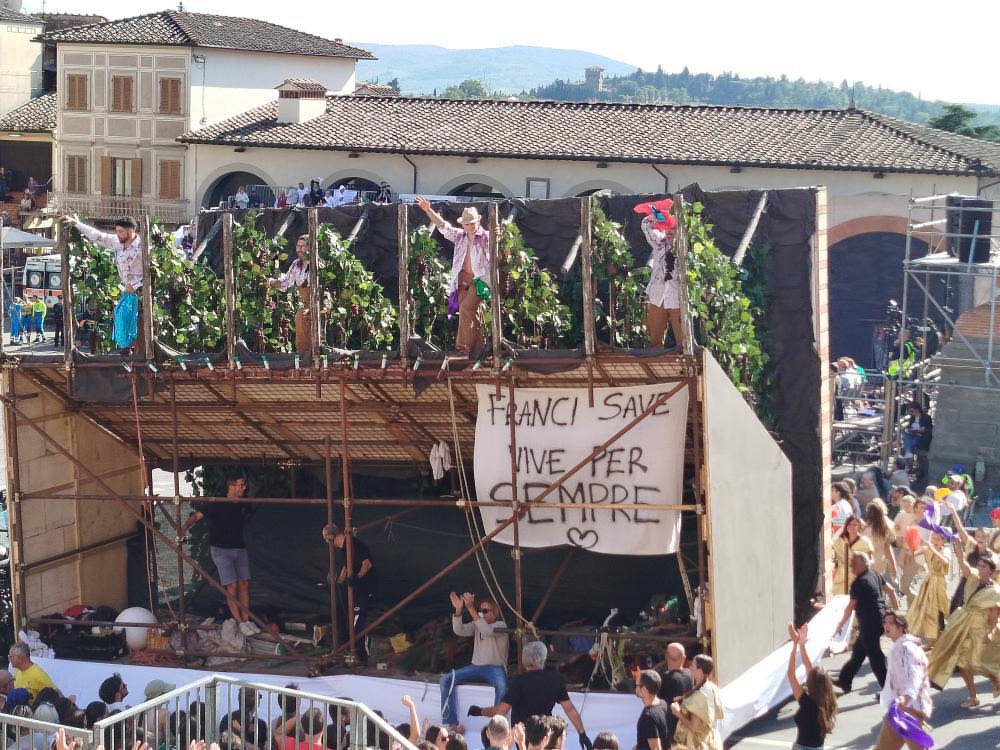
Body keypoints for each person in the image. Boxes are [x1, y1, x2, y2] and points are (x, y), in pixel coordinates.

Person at [469, 641, 591, 749]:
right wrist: (582, 733)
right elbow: (570, 709)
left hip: (523, 735)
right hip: (545, 732)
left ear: (524, 660)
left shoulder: (519, 681)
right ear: (543, 658)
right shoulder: (555, 679)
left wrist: (480, 711)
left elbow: (501, 710)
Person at [183, 473, 259, 636]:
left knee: (244, 584)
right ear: (231, 486)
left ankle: (246, 620)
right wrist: (183, 527)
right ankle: (239, 622)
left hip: (239, 548)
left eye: (244, 485)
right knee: (231, 586)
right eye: (241, 485)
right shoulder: (217, 503)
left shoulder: (244, 504)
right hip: (221, 550)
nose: (243, 488)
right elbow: (196, 516)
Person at [415, 197, 490, 357]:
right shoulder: (460, 236)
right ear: (463, 224)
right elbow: (443, 226)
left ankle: (462, 348)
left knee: (466, 308)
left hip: (481, 281)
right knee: (469, 313)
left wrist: (499, 233)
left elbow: (500, 242)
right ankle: (477, 349)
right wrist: (428, 210)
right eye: (467, 223)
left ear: (478, 222)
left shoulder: (486, 237)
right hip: (462, 279)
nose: (470, 226)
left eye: (472, 223)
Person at [61, 215, 145, 356]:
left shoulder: (142, 247)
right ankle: (126, 350)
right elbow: (98, 236)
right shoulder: (117, 242)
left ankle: (136, 352)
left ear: (131, 231)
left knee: (139, 323)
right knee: (121, 317)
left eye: (121, 231)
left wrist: (137, 285)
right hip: (128, 291)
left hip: (142, 291)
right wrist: (76, 223)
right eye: (116, 231)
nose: (117, 234)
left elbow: (151, 271)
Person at [927, 554, 1000, 708]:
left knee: (981, 665)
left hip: (980, 631)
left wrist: (989, 633)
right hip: (962, 626)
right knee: (962, 663)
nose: (979, 568)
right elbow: (962, 562)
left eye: (984, 566)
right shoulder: (972, 578)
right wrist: (957, 545)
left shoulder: (995, 591)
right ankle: (973, 696)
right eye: (978, 565)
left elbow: (994, 616)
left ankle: (997, 683)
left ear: (991, 571)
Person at [439, 591, 509, 731]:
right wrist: (458, 610)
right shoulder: (478, 623)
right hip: (476, 667)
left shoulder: (501, 625)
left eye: (485, 611)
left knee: (502, 686)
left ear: (495, 612)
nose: (482, 613)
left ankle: (497, 727)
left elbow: (487, 631)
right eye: (480, 610)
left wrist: (471, 608)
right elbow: (459, 630)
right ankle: (452, 723)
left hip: (495, 668)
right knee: (446, 679)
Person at [834, 551, 900, 692]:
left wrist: (840, 624)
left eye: (854, 564)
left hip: (870, 623)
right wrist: (896, 612)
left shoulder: (859, 583)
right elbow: (891, 590)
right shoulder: (874, 574)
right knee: (859, 652)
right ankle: (844, 680)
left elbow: (850, 607)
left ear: (864, 564)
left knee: (876, 658)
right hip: (880, 620)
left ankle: (890, 690)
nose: (851, 566)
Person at [875, 611, 933, 750]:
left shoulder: (907, 648)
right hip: (898, 710)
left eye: (891, 623)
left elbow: (915, 676)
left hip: (911, 710)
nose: (886, 626)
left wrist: (905, 697)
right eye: (885, 622)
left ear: (901, 626)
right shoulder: (899, 647)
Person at [634, 199, 680, 349]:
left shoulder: (688, 251)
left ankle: (685, 363)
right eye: (668, 229)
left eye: (673, 229)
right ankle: (653, 362)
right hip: (656, 297)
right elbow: (645, 225)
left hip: (678, 300)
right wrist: (658, 215)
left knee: (684, 341)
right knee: (652, 341)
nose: (669, 232)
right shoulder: (660, 243)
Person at [328, 526, 378, 663]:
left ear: (331, 538)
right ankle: (345, 648)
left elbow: (367, 564)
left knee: (357, 622)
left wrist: (357, 577)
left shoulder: (353, 544)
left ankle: (360, 656)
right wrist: (340, 581)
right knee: (344, 614)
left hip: (364, 588)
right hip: (356, 588)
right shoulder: (345, 548)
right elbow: (347, 565)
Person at [786, 622, 837, 750]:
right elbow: (811, 671)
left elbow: (791, 674)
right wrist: (801, 644)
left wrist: (795, 644)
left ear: (811, 683)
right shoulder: (827, 701)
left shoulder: (807, 703)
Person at [267, 235, 312, 354]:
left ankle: (313, 353)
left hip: (320, 304)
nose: (299, 249)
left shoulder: (317, 264)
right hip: (308, 305)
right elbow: (286, 282)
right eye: (298, 246)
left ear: (310, 247)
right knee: (301, 316)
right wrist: (271, 282)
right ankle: (304, 354)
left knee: (302, 316)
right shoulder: (296, 264)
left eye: (303, 246)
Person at [669, 655, 723, 750]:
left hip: (697, 743)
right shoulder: (712, 688)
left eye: (692, 665)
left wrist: (677, 712)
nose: (689, 667)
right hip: (710, 739)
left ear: (700, 670)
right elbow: (717, 714)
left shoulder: (699, 696)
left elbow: (693, 727)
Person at [906, 533, 950, 644]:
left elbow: (946, 561)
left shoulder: (946, 551)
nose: (935, 541)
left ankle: (940, 634)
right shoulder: (926, 549)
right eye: (933, 538)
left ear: (943, 541)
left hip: (939, 583)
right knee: (926, 608)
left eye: (938, 539)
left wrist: (932, 549)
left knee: (939, 609)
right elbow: (912, 554)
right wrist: (912, 542)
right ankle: (929, 636)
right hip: (929, 581)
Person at [657, 642, 692, 748]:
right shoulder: (690, 675)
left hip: (672, 730)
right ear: (684, 658)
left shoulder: (666, 678)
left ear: (666, 657)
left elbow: (659, 703)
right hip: (688, 727)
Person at [832, 516, 874, 596]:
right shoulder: (840, 541)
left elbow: (871, 560)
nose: (851, 527)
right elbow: (834, 556)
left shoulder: (865, 542)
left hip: (857, 578)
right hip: (841, 578)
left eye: (855, 525)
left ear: (860, 526)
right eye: (849, 524)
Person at [632, 670, 670, 750]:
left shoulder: (648, 716)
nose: (635, 688)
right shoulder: (662, 704)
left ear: (644, 689)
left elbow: (656, 748)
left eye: (637, 685)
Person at [863, 500, 898, 584]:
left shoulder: (865, 530)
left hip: (866, 563)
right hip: (879, 563)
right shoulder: (886, 528)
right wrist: (893, 571)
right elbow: (888, 551)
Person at [904, 403, 932, 490]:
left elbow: (923, 429)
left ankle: (908, 452)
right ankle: (909, 452)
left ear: (917, 409)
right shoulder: (912, 418)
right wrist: (909, 430)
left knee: (911, 440)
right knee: (906, 435)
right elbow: (909, 427)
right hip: (913, 434)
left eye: (912, 411)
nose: (911, 413)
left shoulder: (926, 417)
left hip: (921, 436)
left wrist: (915, 431)